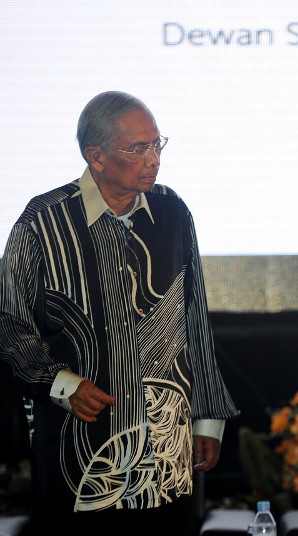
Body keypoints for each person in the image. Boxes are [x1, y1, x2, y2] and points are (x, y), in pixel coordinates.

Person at [0, 91, 240, 535]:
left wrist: (207, 417)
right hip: (81, 457)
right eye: (137, 148)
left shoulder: (172, 211)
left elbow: (195, 320)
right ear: (97, 157)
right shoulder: (42, 222)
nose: (153, 159)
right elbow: (10, 326)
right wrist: (61, 384)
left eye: (157, 144)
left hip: (167, 458)